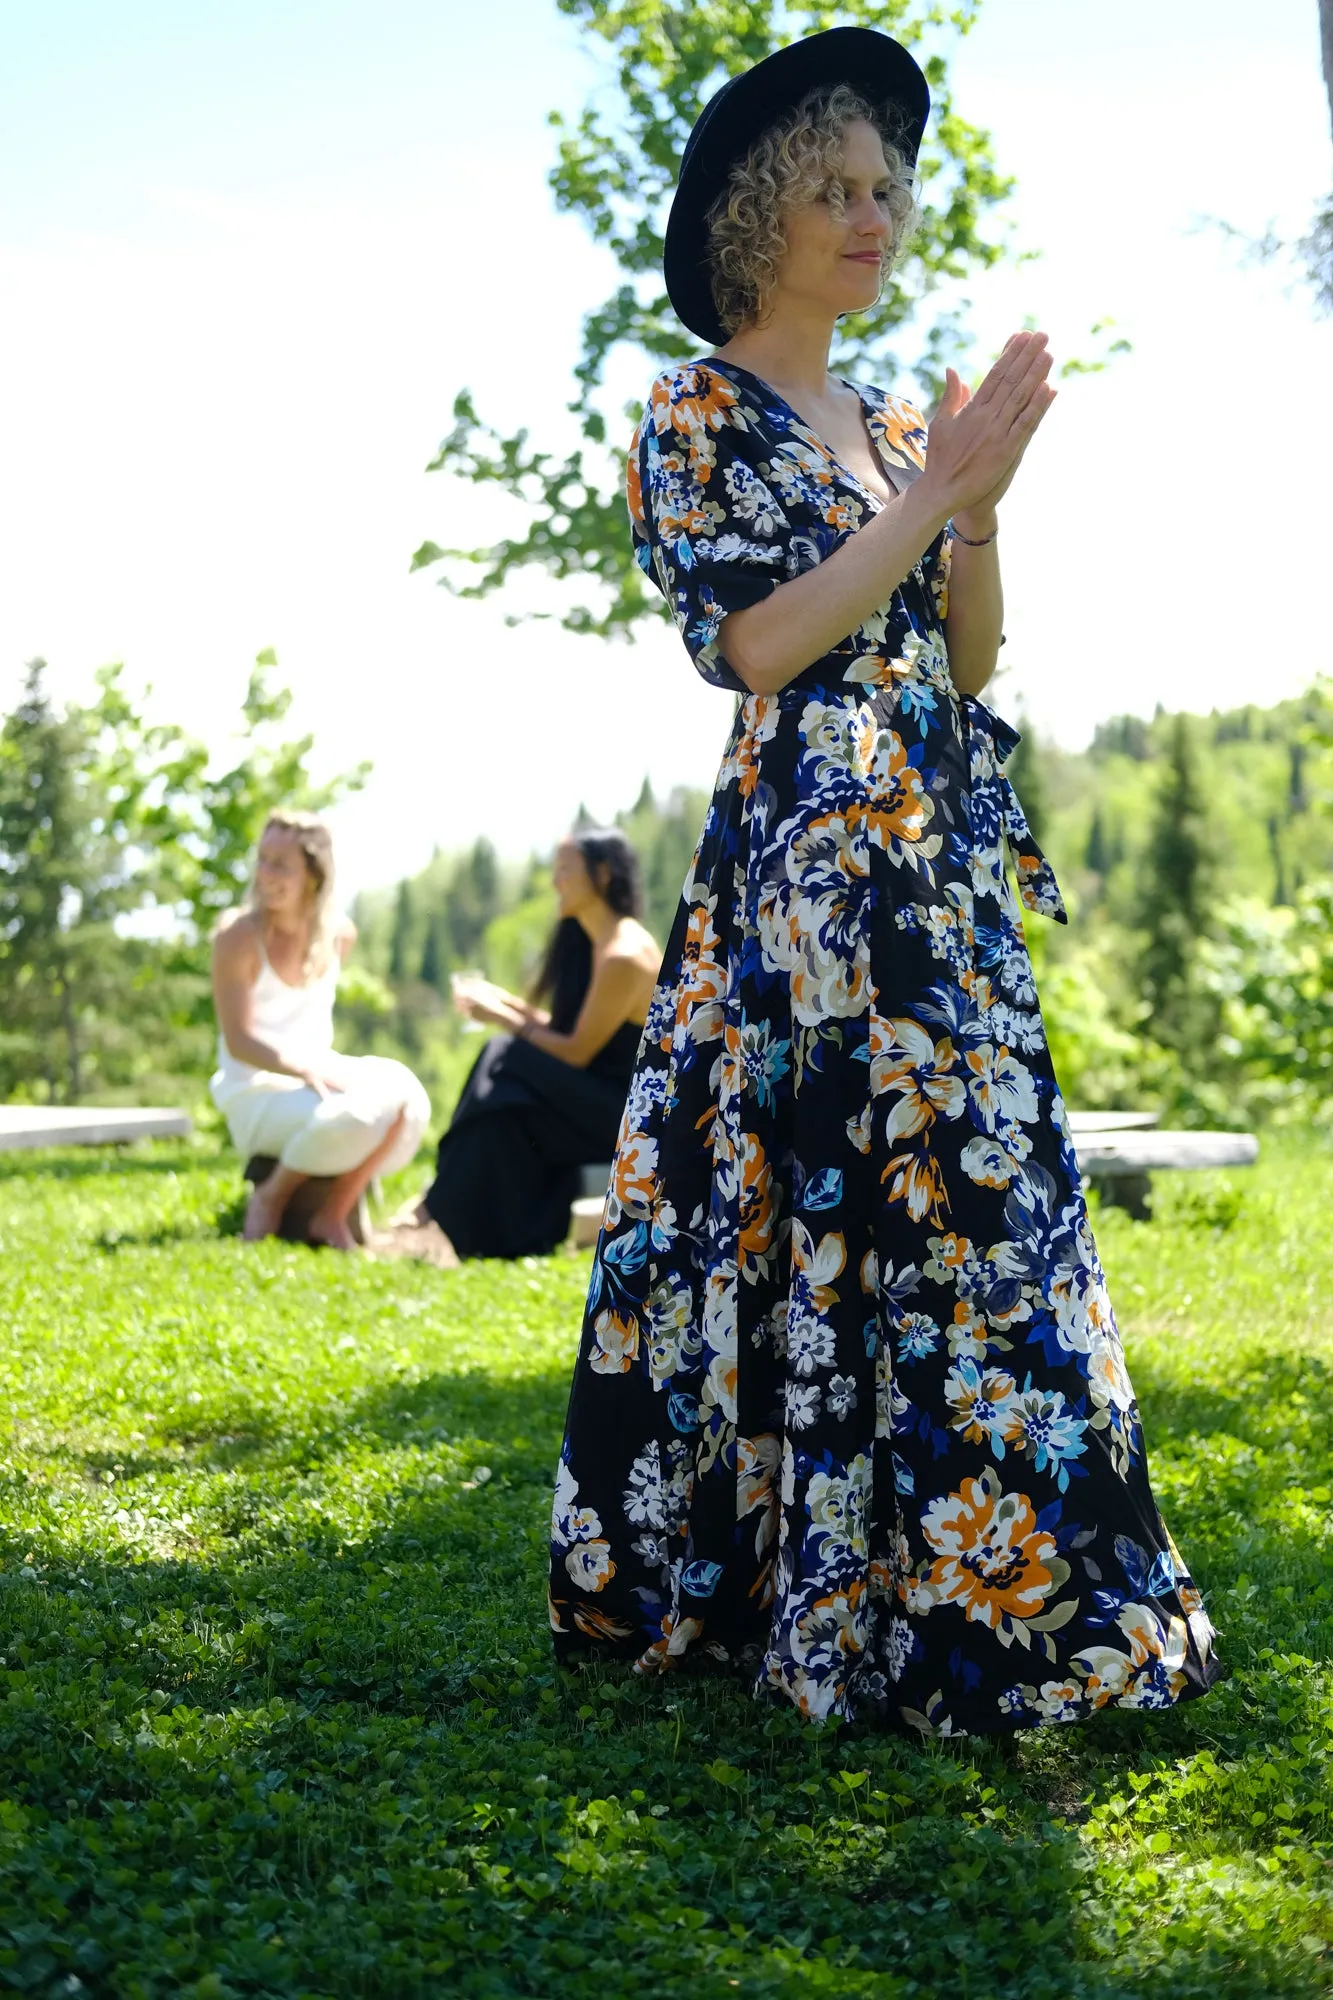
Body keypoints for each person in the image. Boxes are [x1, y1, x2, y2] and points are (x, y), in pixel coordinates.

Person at [549, 28, 1221, 1736]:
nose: (873, 217)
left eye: (885, 191)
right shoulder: (692, 410)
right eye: (836, 192)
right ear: (758, 214)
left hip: (935, 858)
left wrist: (973, 510)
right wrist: (928, 496)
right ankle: (816, 1585)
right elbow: (761, 641)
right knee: (829, 1202)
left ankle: (1007, 1573)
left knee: (976, 1204)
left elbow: (967, 660)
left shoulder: (893, 420)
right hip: (804, 881)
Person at [418, 827, 658, 1259]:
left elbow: (576, 1052)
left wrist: (504, 1020)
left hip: (621, 1113)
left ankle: (434, 1201)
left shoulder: (624, 954)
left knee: (502, 1055)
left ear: (602, 875)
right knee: (501, 1112)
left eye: (565, 870)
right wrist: (508, 1004)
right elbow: (577, 1034)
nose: (555, 882)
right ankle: (486, 1238)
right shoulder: (600, 944)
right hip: (589, 1096)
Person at [211, 809, 430, 1248]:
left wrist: (318, 1071)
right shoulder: (236, 936)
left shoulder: (337, 934)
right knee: (359, 1113)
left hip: (317, 1077)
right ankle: (269, 1199)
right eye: (263, 858)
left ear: (314, 875)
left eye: (282, 864)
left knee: (411, 1098)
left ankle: (332, 1215)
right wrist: (303, 1071)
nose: (266, 873)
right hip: (255, 1087)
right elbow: (238, 1042)